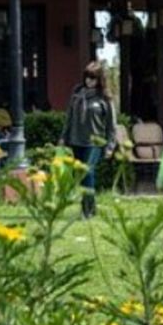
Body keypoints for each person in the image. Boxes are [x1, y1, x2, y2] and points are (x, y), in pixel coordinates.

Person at [58, 61, 116, 219]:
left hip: (94, 142)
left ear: (99, 80)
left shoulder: (104, 98)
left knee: (88, 172)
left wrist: (110, 146)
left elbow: (111, 125)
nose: (89, 81)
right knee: (81, 176)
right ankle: (89, 206)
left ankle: (87, 211)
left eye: (93, 78)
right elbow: (69, 117)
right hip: (76, 140)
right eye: (87, 77)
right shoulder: (77, 93)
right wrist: (63, 137)